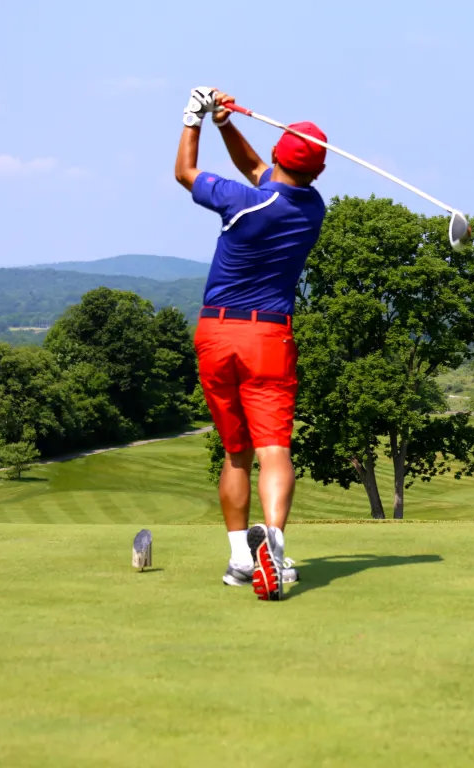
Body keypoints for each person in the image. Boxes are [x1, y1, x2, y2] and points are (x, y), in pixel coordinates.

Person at [175, 87, 328, 601]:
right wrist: (224, 123)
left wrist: (193, 120)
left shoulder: (244, 202)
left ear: (280, 154)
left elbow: (186, 173)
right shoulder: (312, 209)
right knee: (274, 449)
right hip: (268, 335)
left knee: (236, 452)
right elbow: (259, 168)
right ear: (318, 172)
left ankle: (242, 557)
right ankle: (275, 548)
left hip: (216, 334)